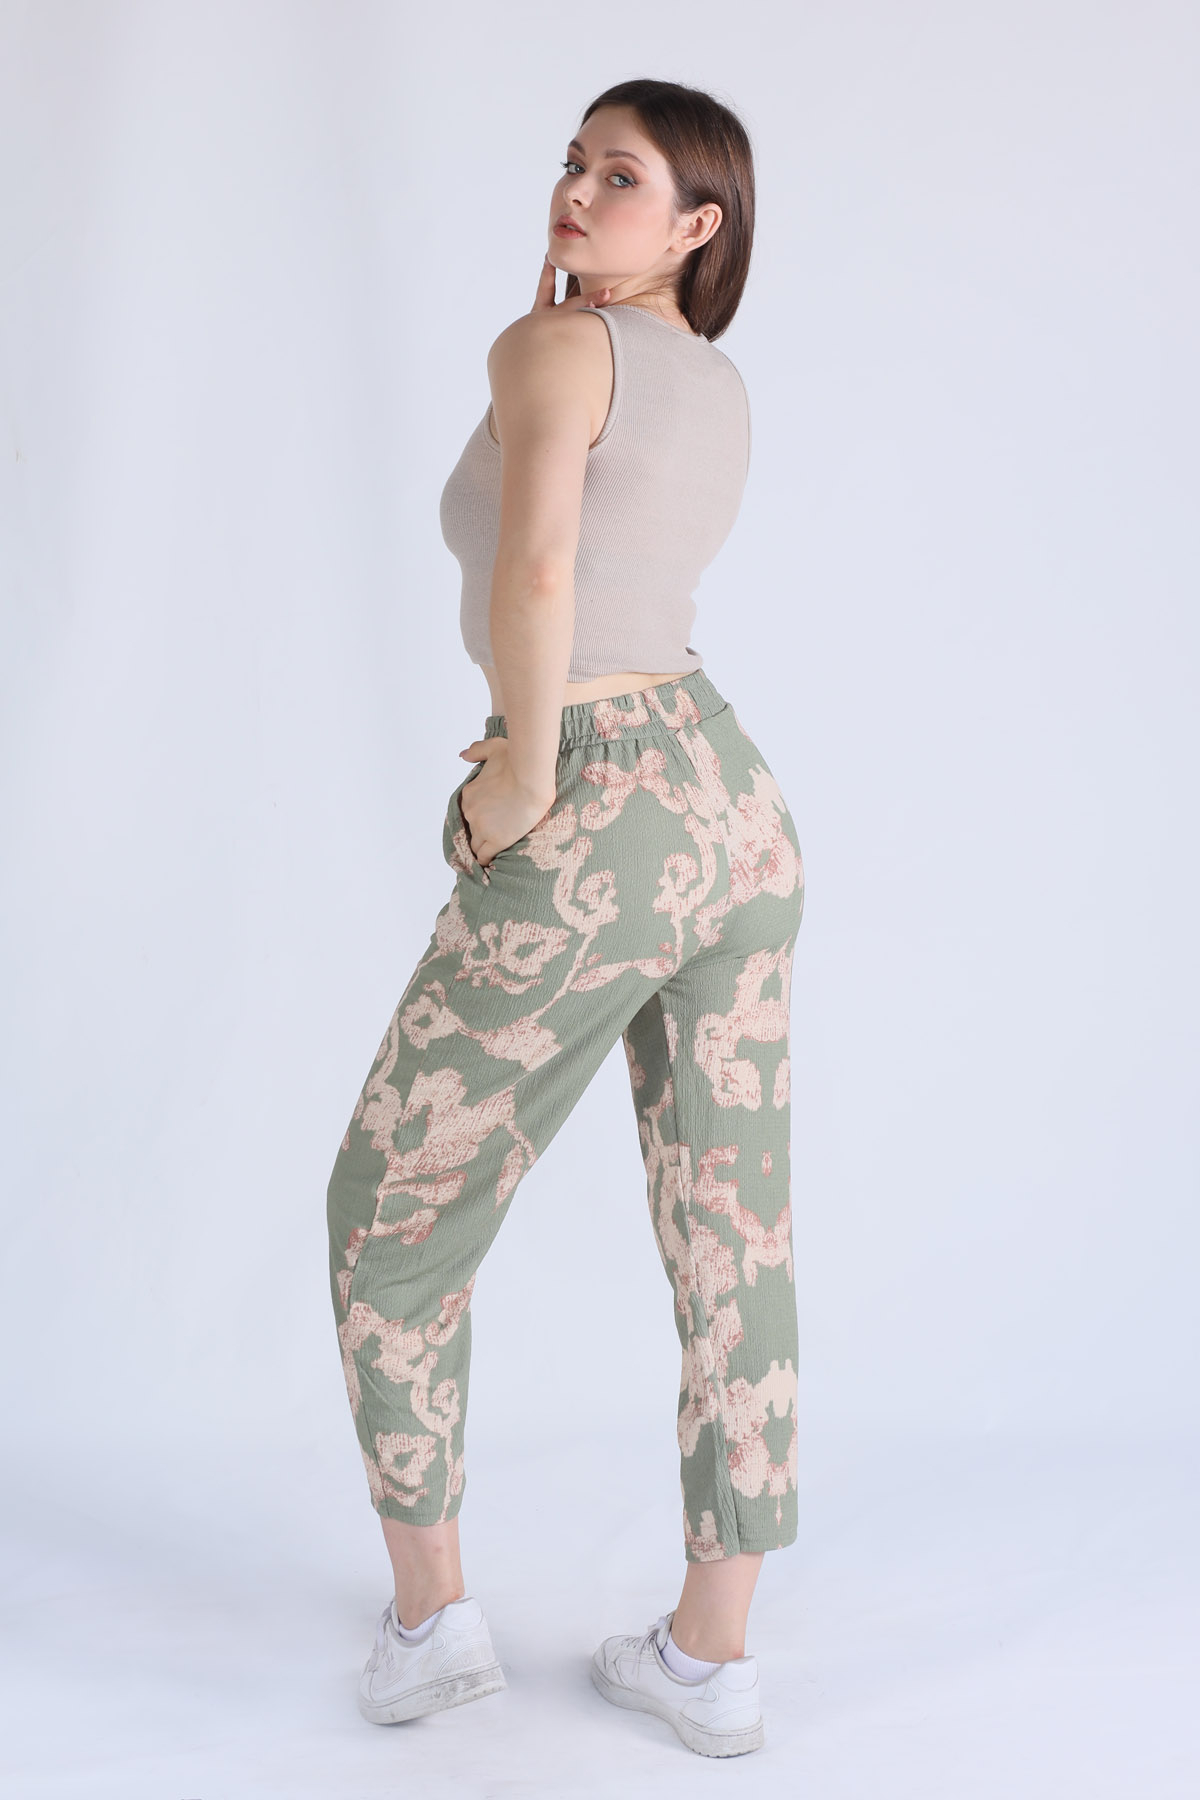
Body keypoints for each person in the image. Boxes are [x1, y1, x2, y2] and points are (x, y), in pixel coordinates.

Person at [325, 77, 806, 1759]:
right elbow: (618, 581)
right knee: (732, 1232)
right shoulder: (714, 380)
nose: (578, 193)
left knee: (390, 1213)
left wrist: (524, 774)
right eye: (572, 163)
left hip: (594, 801)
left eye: (624, 177)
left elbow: (539, 573)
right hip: (729, 805)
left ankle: (431, 1626)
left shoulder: (549, 349)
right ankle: (712, 1658)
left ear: (697, 225)